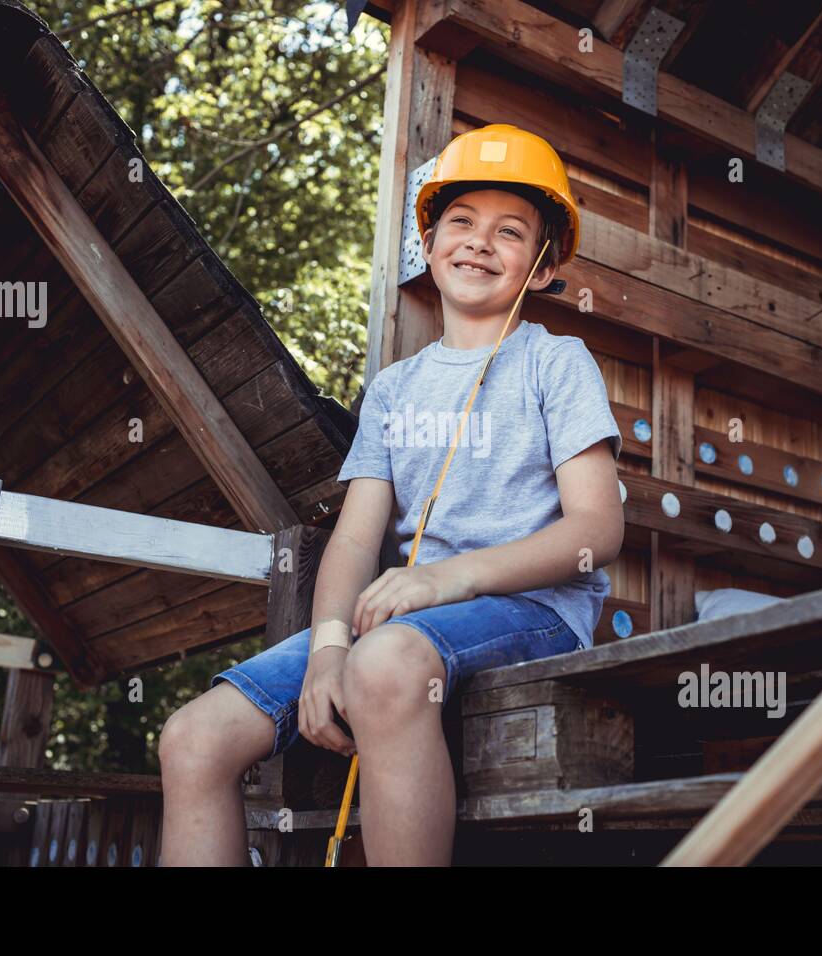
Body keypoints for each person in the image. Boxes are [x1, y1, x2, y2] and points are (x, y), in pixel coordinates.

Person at [159, 123, 624, 866]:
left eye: (511, 232)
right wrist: (327, 650)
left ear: (539, 268)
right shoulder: (394, 388)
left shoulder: (556, 362)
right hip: (398, 624)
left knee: (383, 663)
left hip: (534, 611)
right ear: (431, 243)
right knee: (192, 738)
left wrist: (445, 577)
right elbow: (352, 538)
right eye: (462, 223)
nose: (479, 242)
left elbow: (598, 529)